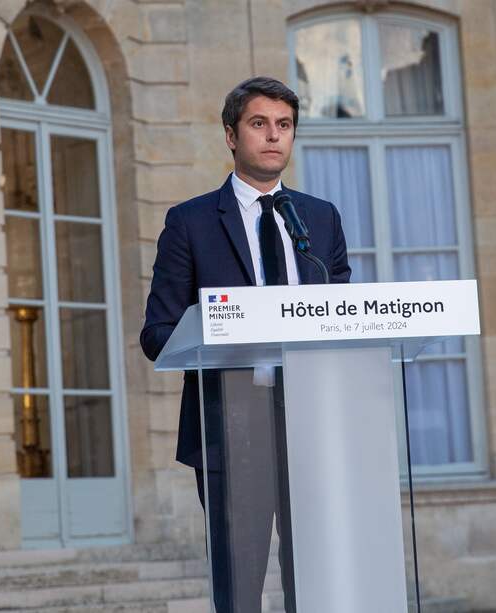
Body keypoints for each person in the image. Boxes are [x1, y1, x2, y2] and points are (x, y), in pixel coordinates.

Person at [139, 76, 351, 612]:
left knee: (318, 581)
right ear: (231, 136)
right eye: (259, 124)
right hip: (232, 426)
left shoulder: (320, 219)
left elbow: (343, 318)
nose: (274, 136)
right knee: (239, 589)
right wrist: (220, 329)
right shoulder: (189, 223)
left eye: (284, 125)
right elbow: (157, 334)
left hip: (312, 423)